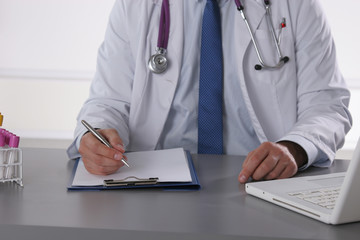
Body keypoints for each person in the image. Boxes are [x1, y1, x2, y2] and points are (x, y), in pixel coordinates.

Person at [67, 0, 352, 183]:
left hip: (262, 183)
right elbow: (109, 101)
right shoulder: (136, 6)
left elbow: (327, 105)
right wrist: (99, 135)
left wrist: (295, 147)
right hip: (150, 182)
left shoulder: (297, 5)